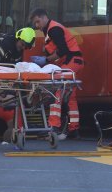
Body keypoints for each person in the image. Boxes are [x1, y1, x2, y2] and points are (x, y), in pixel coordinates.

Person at [30, 8, 84, 138]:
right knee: (70, 96)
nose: (37, 26)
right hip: (73, 62)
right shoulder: (50, 30)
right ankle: (74, 129)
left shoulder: (54, 29)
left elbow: (63, 50)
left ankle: (54, 127)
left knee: (56, 90)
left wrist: (46, 59)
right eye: (35, 23)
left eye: (38, 22)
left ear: (44, 18)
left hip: (71, 61)